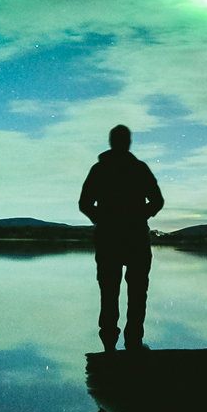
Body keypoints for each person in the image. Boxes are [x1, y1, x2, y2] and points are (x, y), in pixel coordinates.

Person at [78, 124, 164, 350]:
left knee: (109, 292)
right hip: (135, 237)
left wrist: (102, 219)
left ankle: (109, 345)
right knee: (137, 292)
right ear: (127, 143)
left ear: (111, 142)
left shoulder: (99, 169)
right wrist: (138, 216)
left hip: (109, 238)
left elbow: (84, 204)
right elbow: (157, 201)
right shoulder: (139, 168)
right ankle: (133, 343)